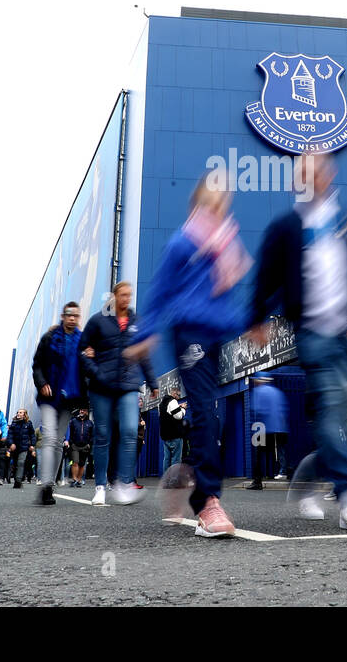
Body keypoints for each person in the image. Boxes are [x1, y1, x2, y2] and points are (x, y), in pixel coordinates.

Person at [248, 152, 347, 531]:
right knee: (335, 404)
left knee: (338, 412)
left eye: (314, 172)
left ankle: (307, 479)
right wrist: (256, 318)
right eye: (301, 175)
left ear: (329, 175)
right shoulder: (286, 227)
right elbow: (266, 276)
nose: (308, 180)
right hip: (312, 332)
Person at [127, 177, 249, 536]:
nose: (221, 201)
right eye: (214, 195)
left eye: (225, 196)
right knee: (205, 418)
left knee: (212, 419)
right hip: (189, 336)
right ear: (199, 201)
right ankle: (207, 503)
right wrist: (146, 334)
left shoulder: (225, 244)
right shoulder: (184, 241)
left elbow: (223, 304)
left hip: (215, 339)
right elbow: (161, 290)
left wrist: (248, 323)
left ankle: (181, 482)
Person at [78, 282, 157, 507]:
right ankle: (100, 486)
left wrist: (152, 382)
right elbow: (82, 352)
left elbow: (144, 354)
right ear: (113, 296)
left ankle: (124, 483)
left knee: (131, 431)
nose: (126, 299)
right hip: (101, 387)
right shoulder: (97, 321)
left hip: (128, 385)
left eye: (129, 295)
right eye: (122, 295)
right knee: (103, 435)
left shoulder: (136, 321)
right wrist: (96, 372)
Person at [32, 301, 88, 506]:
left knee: (57, 442)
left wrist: (85, 401)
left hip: (68, 398)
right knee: (48, 437)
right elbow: (37, 365)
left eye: (76, 315)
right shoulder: (49, 338)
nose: (72, 318)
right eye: (69, 314)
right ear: (63, 316)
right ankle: (45, 484)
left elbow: (85, 371)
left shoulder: (82, 342)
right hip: (49, 395)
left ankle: (50, 484)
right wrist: (42, 383)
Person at [247, 375, 288, 490]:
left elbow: (258, 410)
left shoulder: (258, 391)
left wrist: (255, 425)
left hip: (266, 427)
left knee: (259, 454)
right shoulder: (277, 392)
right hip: (281, 427)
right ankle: (283, 471)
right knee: (280, 450)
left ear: (259, 381)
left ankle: (257, 481)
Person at [6, 408, 35, 489]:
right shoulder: (14, 424)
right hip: (15, 447)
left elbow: (32, 435)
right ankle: (16, 480)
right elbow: (10, 435)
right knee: (15, 464)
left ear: (24, 414)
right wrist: (11, 443)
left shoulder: (28, 423)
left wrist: (32, 445)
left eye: (21, 412)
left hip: (24, 447)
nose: (19, 414)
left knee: (21, 463)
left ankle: (18, 481)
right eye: (18, 412)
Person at [159, 391, 188, 473]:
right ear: (174, 394)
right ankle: (173, 481)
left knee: (167, 459)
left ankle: (166, 479)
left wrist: (178, 406)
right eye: (178, 395)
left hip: (166, 436)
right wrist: (183, 408)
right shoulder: (173, 401)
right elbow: (178, 416)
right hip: (175, 434)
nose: (179, 397)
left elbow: (169, 413)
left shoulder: (162, 404)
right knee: (176, 459)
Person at [65, 409, 93, 486]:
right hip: (75, 446)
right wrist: (71, 442)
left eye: (83, 410)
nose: (81, 411)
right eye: (80, 410)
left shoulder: (90, 423)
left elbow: (92, 435)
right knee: (75, 462)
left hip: (85, 446)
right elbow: (69, 432)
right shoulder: (73, 421)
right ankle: (75, 479)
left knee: (82, 464)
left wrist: (89, 444)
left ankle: (79, 480)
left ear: (87, 412)